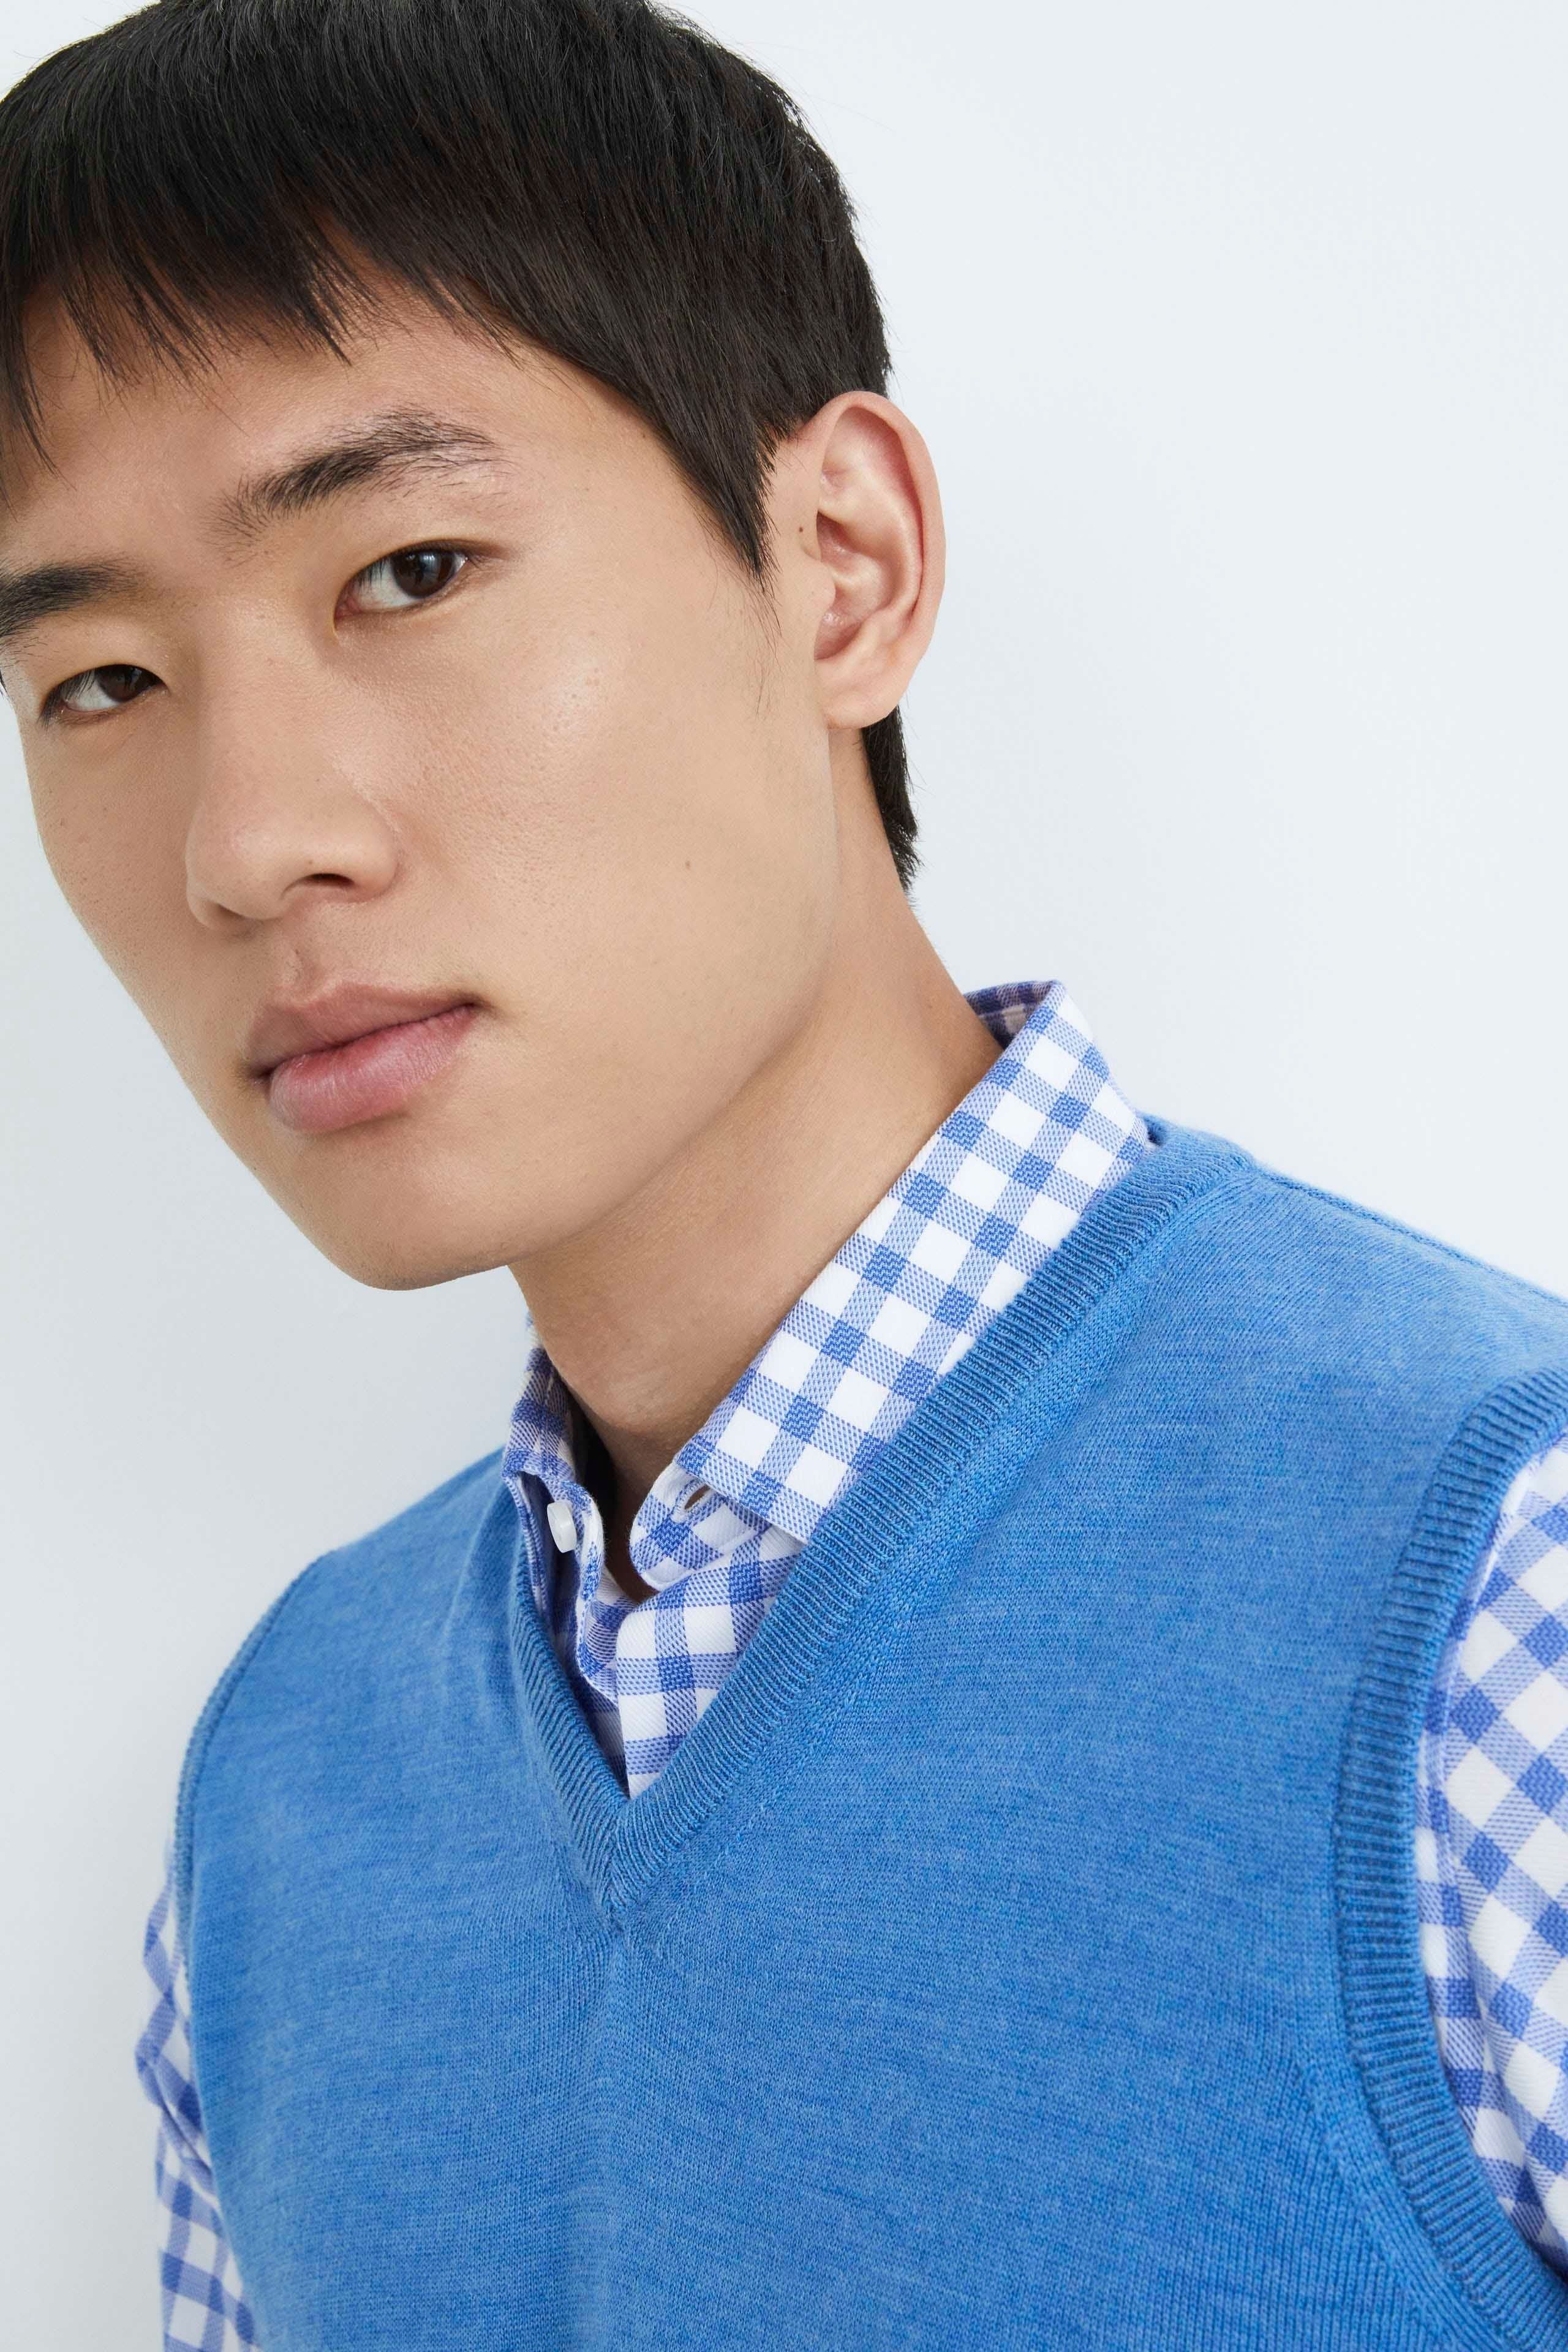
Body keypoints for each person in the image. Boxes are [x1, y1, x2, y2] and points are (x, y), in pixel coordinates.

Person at [1, 0, 1565, 2343]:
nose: (247, 843)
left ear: (841, 565)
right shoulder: (282, 1797)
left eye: (408, 571)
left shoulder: (1490, 1597)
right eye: (99, 685)